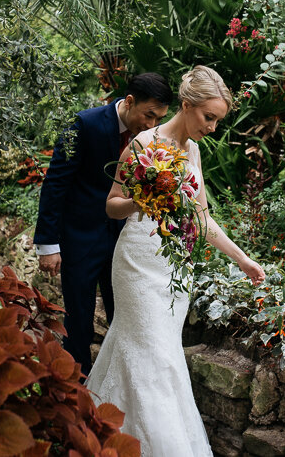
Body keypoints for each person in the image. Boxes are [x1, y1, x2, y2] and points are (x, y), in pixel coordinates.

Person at [88, 65, 265, 457]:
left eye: (218, 120)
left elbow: (199, 218)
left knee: (151, 353)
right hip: (137, 264)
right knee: (156, 358)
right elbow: (112, 206)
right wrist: (142, 200)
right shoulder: (142, 144)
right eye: (209, 117)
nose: (213, 127)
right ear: (186, 106)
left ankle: (107, 434)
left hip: (174, 269)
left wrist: (243, 259)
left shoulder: (194, 151)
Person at [35, 72, 172, 376]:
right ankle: (75, 392)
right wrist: (48, 244)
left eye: (159, 118)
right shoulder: (84, 123)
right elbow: (55, 183)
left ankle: (118, 387)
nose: (151, 125)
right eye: (149, 115)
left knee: (124, 318)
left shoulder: (155, 138)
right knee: (79, 323)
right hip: (80, 239)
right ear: (130, 101)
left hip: (125, 244)